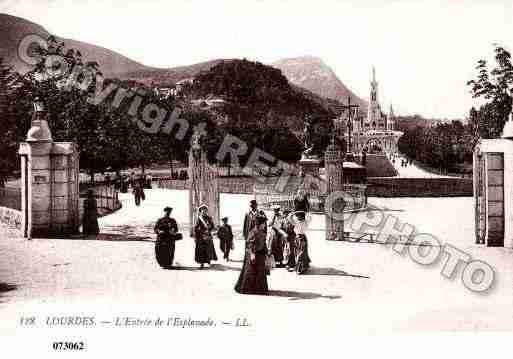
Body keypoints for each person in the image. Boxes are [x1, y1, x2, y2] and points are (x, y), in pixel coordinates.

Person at [234, 214, 269, 295]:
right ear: (259, 224)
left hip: (260, 255)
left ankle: (259, 289)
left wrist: (267, 252)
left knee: (260, 272)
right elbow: (250, 244)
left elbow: (264, 244)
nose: (265, 225)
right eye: (264, 223)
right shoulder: (253, 232)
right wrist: (252, 254)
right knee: (250, 272)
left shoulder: (262, 233)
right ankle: (248, 289)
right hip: (254, 255)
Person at [194, 204, 218, 268]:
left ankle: (208, 261)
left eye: (205, 210)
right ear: (201, 211)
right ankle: (201, 263)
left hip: (208, 236)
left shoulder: (209, 218)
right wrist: (200, 232)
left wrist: (210, 229)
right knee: (201, 250)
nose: (204, 212)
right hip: (201, 236)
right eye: (203, 210)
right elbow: (196, 228)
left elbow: (212, 226)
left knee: (208, 249)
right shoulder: (199, 218)